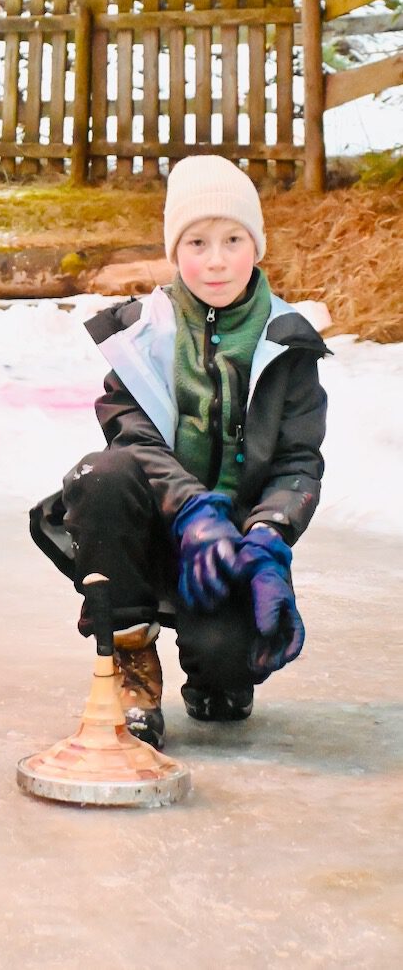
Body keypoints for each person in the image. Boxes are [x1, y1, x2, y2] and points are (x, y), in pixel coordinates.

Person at [29, 155, 328, 750]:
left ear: (256, 246)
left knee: (227, 681)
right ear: (175, 250)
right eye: (197, 241)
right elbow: (132, 437)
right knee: (101, 475)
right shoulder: (142, 336)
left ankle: (215, 668)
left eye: (232, 239)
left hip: (229, 546)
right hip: (151, 529)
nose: (215, 259)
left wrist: (269, 538)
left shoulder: (287, 343)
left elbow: (299, 462)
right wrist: (192, 510)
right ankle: (132, 661)